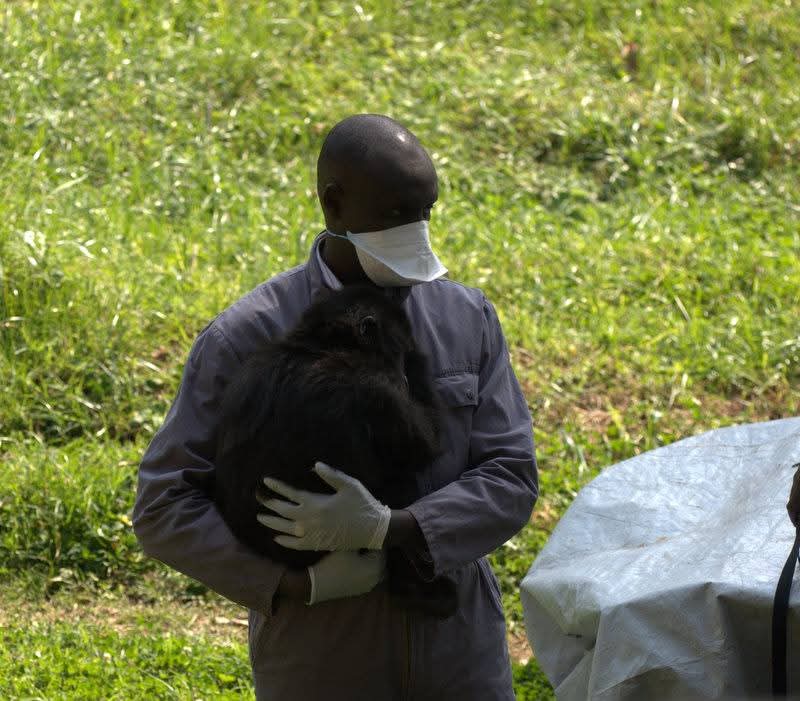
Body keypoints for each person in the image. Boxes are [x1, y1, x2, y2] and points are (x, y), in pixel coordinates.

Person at [132, 113, 538, 701]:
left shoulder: (465, 319)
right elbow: (164, 505)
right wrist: (299, 585)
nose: (412, 233)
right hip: (323, 650)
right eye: (391, 216)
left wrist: (393, 529)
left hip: (457, 646)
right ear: (333, 205)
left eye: (423, 212)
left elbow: (510, 476)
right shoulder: (248, 336)